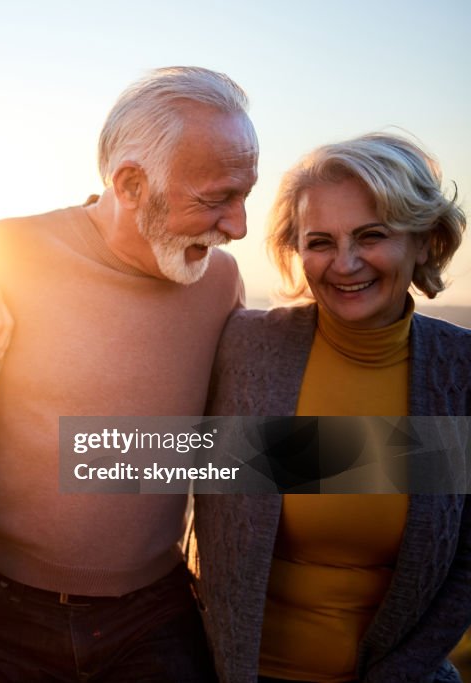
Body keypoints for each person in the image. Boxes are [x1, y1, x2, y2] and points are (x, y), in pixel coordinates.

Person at [0, 67, 258, 681]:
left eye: (244, 196)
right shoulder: (6, 252)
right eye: (216, 199)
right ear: (131, 183)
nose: (237, 227)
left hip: (153, 614)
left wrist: (428, 455)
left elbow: (231, 448)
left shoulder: (222, 282)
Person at [195, 133, 471, 682]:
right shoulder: (247, 347)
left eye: (372, 235)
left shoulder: (460, 373)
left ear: (425, 241)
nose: (345, 264)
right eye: (319, 242)